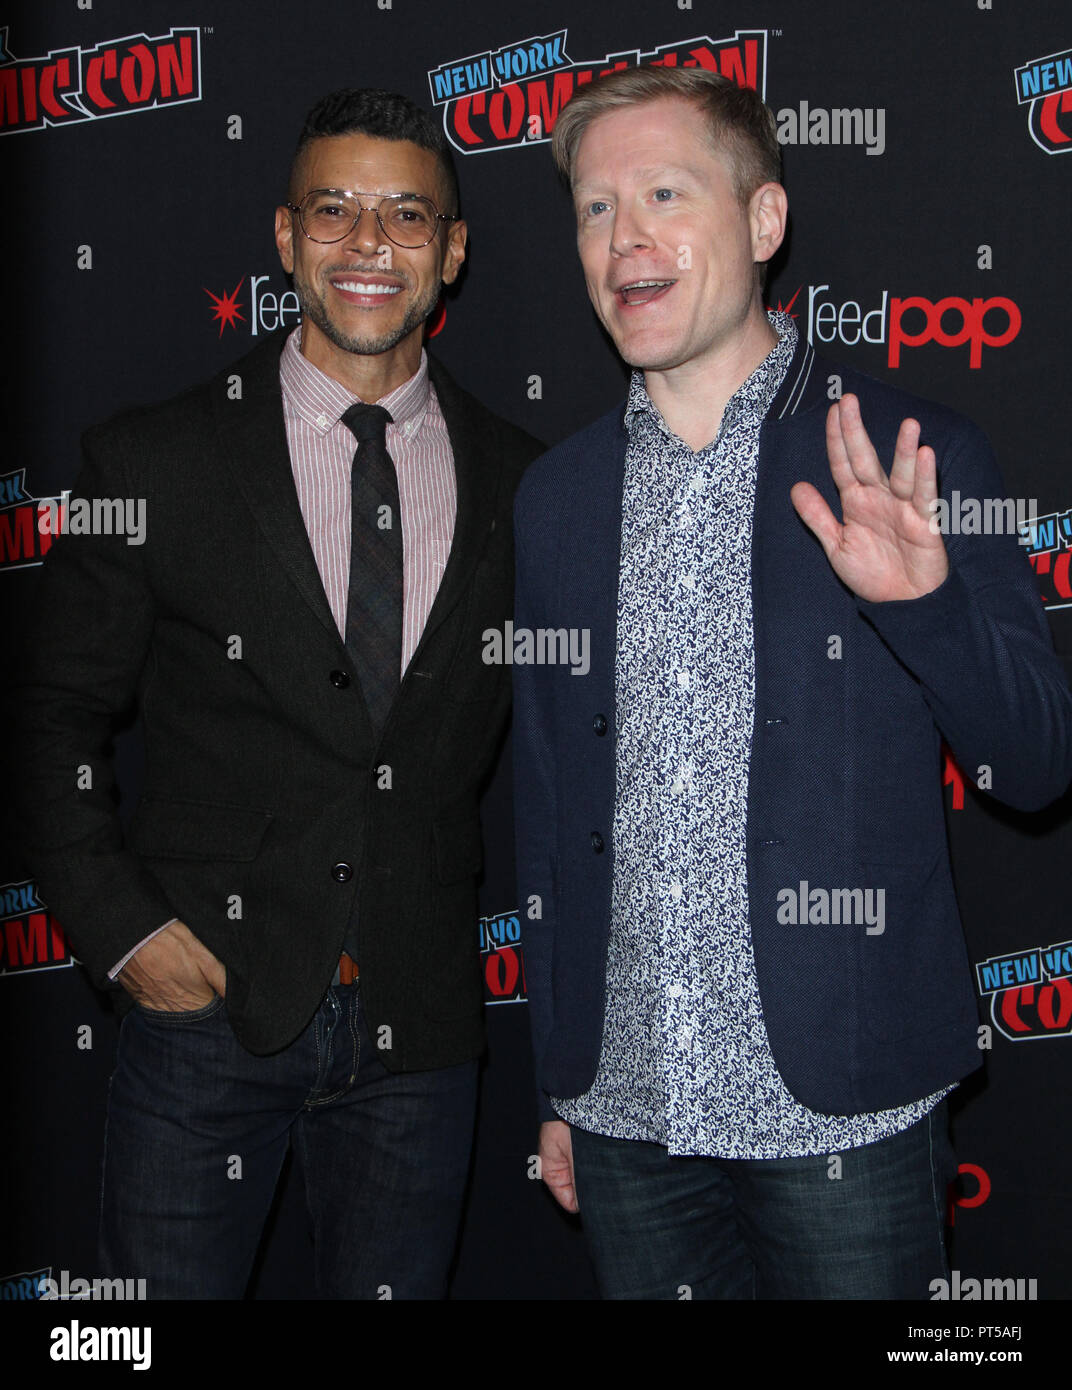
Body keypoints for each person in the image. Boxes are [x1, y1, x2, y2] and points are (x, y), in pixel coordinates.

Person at [512, 66, 1072, 1299]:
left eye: (665, 192)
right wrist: (559, 1082)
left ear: (764, 222)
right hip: (625, 1116)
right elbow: (548, 811)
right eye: (596, 209)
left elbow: (1033, 760)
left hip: (846, 1118)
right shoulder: (553, 501)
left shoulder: (910, 448)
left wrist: (921, 604)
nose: (627, 239)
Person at [14, 87, 542, 1299]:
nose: (370, 245)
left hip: (422, 1031)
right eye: (335, 210)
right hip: (204, 1019)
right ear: (286, 236)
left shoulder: (525, 482)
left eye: (408, 215)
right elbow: (50, 721)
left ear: (452, 252)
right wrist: (127, 934)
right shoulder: (152, 459)